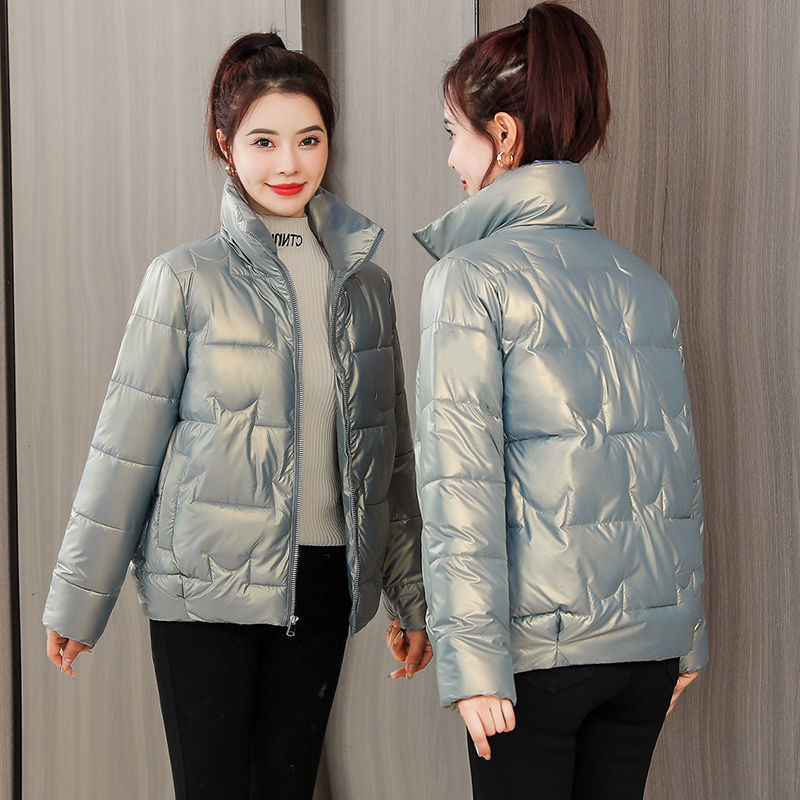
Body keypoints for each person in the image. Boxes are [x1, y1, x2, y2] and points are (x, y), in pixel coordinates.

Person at [43, 32, 430, 800]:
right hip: (203, 593)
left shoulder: (369, 288)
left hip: (321, 587)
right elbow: (126, 448)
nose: (289, 163)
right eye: (264, 141)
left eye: (308, 139)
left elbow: (390, 461)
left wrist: (410, 596)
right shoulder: (183, 278)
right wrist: (79, 597)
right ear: (226, 145)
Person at [413, 4, 708, 799]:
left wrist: (473, 665)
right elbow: (673, 471)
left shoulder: (468, 280)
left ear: (503, 136)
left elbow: (459, 484)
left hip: (534, 665)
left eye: (454, 133)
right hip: (645, 657)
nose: (451, 158)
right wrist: (685, 634)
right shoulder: (644, 283)